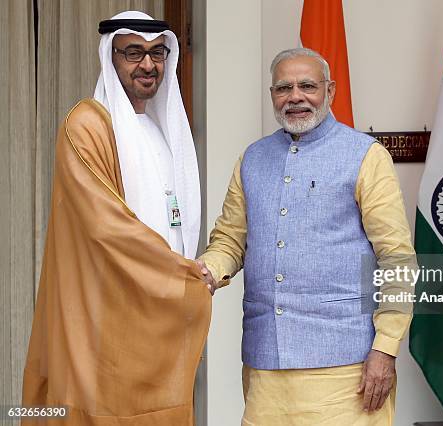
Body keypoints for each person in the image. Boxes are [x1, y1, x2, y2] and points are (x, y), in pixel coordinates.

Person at [200, 47, 416, 425]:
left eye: (307, 86)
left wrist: (385, 349)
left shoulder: (365, 155)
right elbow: (230, 240)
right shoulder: (252, 158)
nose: (295, 96)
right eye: (283, 87)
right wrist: (206, 271)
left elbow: (396, 259)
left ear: (330, 91)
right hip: (265, 365)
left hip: (345, 369)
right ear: (272, 96)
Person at [22, 11, 211, 425]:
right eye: (133, 54)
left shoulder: (159, 130)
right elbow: (107, 227)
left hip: (157, 310)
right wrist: (183, 272)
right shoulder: (88, 125)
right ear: (111, 59)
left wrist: (182, 277)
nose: (148, 65)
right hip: (107, 314)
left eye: (157, 53)